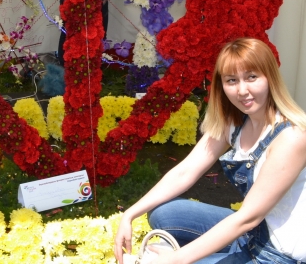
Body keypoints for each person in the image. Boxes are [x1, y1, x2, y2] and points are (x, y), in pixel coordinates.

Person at [114, 38, 306, 264]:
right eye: (231, 80)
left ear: (270, 77)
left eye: (251, 77)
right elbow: (185, 171)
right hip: (250, 234)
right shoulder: (235, 122)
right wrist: (129, 214)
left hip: (277, 255)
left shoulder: (292, 137)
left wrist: (175, 260)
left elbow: (248, 218)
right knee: (163, 214)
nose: (242, 90)